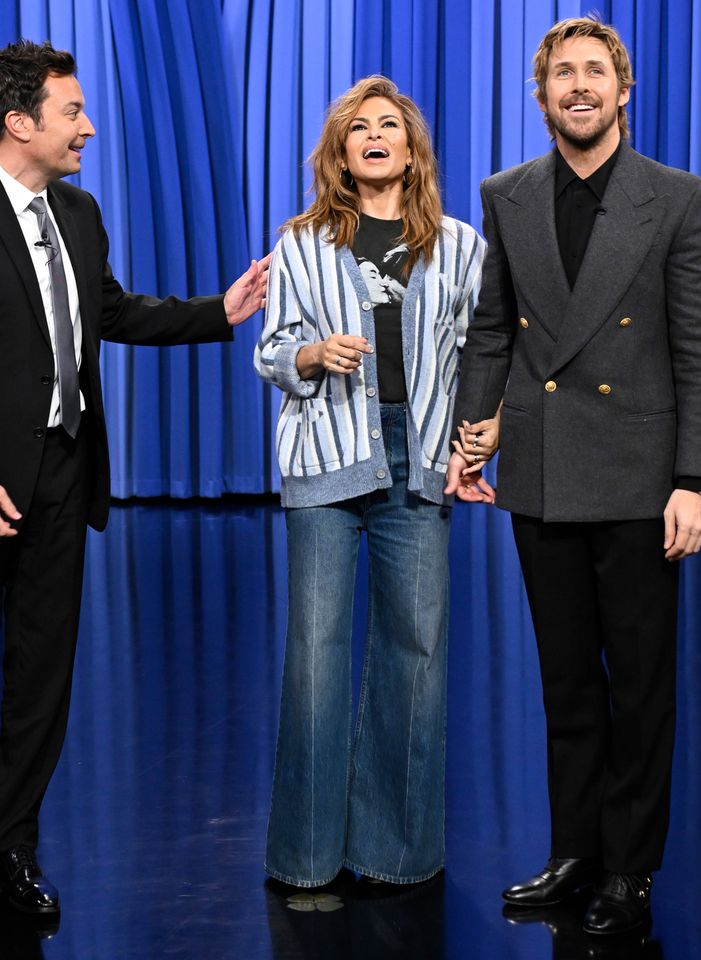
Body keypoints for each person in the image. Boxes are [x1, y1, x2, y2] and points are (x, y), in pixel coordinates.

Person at [0, 39, 269, 915]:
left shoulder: (81, 212)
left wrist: (220, 310)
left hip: (61, 477)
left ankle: (13, 848)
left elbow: (110, 310)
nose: (88, 128)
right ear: (19, 123)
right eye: (73, 112)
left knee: (42, 677)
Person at [445, 16, 701, 936]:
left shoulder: (676, 197)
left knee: (639, 682)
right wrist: (473, 425)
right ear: (540, 95)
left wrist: (696, 479)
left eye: (594, 72)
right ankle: (576, 851)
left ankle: (630, 868)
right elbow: (494, 325)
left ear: (624, 89)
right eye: (561, 73)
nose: (578, 86)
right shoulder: (508, 193)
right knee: (565, 679)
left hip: (643, 475)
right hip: (542, 465)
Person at [255, 75, 491, 888]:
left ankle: (395, 854)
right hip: (326, 457)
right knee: (316, 659)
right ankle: (308, 859)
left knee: (416, 654)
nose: (376, 136)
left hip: (417, 458)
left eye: (390, 125)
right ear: (342, 154)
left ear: (411, 147)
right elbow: (271, 350)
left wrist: (474, 445)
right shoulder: (301, 243)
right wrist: (311, 357)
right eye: (361, 129)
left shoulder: (460, 245)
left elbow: (476, 358)